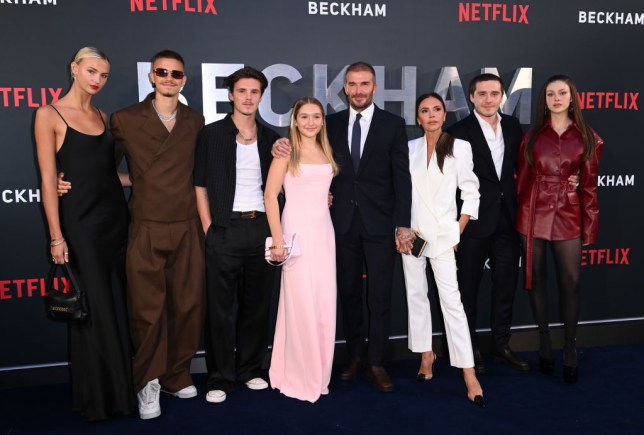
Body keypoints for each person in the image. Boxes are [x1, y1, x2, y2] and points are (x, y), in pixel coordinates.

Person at [61, 50, 206, 419]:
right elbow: (102, 168)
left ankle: (176, 374)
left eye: (176, 73)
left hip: (187, 224)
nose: (169, 78)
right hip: (145, 225)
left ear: (184, 80)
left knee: (187, 306)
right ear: (152, 77)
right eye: (163, 72)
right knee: (147, 310)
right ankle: (148, 381)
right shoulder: (125, 119)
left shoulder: (195, 120)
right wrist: (64, 182)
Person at [274, 61, 414, 392]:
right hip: (340, 226)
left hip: (380, 226)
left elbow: (402, 178)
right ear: (345, 88)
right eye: (352, 84)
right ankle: (355, 356)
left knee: (379, 296)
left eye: (365, 84)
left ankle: (377, 361)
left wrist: (403, 225)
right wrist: (276, 145)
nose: (358, 90)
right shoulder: (330, 124)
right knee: (349, 294)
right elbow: (303, 151)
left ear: (375, 87)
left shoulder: (393, 125)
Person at [35, 47, 135, 421]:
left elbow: (108, 176)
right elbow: (48, 180)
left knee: (114, 303)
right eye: (91, 71)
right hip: (80, 225)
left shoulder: (101, 115)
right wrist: (56, 237)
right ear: (74, 68)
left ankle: (119, 391)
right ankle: (99, 399)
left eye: (104, 75)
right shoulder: (49, 114)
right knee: (91, 310)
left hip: (115, 221)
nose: (97, 79)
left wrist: (151, 180)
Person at [194, 67, 280, 404]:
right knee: (220, 309)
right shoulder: (211, 135)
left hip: (260, 229)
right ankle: (219, 377)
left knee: (256, 307)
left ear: (261, 96)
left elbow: (285, 186)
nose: (248, 97)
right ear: (231, 95)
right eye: (241, 91)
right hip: (224, 230)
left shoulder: (273, 138)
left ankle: (250, 370)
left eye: (254, 92)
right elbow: (199, 186)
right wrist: (209, 230)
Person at [516, 75, 603, 384]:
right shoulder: (531, 136)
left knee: (571, 281)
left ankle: (569, 346)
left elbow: (590, 189)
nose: (556, 98)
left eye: (561, 93)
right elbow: (521, 180)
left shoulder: (588, 138)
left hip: (568, 213)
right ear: (545, 99)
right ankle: (544, 342)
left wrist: (589, 230)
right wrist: (520, 217)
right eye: (550, 93)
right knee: (536, 279)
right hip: (533, 212)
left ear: (572, 97)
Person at [402, 93, 484, 406]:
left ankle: (468, 372)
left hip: (443, 236)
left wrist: (457, 230)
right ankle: (426, 354)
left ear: (444, 114)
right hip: (411, 235)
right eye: (425, 111)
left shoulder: (459, 147)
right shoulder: (409, 149)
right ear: (417, 117)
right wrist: (402, 229)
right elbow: (402, 191)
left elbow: (471, 191)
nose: (431, 115)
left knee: (452, 302)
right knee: (415, 296)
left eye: (437, 109)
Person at [446, 74, 530, 373]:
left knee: (505, 286)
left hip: (508, 220)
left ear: (502, 96)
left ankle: (501, 344)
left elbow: (523, 168)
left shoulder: (512, 126)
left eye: (494, 93)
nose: (488, 99)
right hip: (473, 223)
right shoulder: (457, 131)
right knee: (467, 288)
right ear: (471, 97)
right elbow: (449, 182)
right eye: (482, 93)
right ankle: (468, 349)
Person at [265, 97, 339, 403]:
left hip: (324, 233)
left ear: (323, 120)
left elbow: (321, 190)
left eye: (316, 116)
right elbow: (270, 196)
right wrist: (279, 241)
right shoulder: (286, 151)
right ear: (294, 120)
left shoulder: (327, 150)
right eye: (304, 116)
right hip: (295, 235)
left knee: (323, 304)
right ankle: (297, 374)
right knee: (299, 306)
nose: (310, 122)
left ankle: (319, 373)